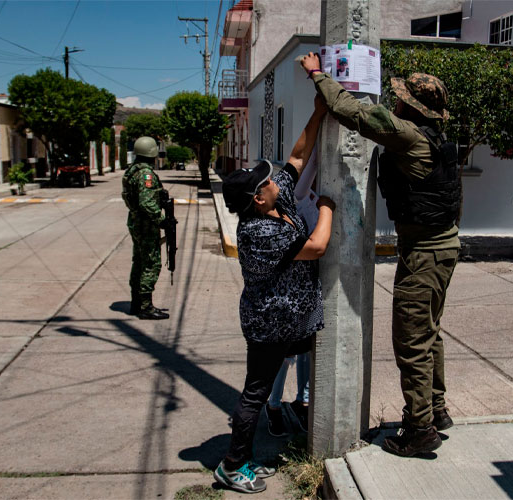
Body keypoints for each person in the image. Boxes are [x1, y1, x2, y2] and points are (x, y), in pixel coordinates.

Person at [300, 52, 460, 457]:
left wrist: (318, 73)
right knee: (430, 333)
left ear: (413, 107)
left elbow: (350, 111)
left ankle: (420, 428)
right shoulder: (435, 139)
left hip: (425, 253)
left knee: (412, 341)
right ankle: (436, 409)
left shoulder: (408, 135)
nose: (398, 101)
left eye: (403, 98)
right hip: (441, 247)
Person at [214, 96, 335, 494]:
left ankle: (247, 454)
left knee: (274, 382)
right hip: (269, 325)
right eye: (264, 181)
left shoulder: (273, 201)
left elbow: (297, 160)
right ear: (257, 199)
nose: (273, 180)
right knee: (255, 394)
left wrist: (317, 111)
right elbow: (316, 246)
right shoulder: (258, 233)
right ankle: (232, 465)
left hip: (290, 319)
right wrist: (330, 204)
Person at [121, 136, 170, 320]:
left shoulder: (132, 171)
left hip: (135, 222)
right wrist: (162, 220)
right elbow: (147, 202)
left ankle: (136, 302)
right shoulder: (145, 174)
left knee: (139, 261)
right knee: (151, 263)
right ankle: (145, 306)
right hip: (145, 225)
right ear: (152, 153)